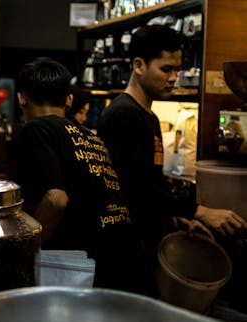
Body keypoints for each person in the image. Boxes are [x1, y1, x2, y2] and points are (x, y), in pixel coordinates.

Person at [96, 25, 247, 273]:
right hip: (126, 248)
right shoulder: (124, 115)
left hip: (145, 239)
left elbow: (150, 181)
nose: (173, 77)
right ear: (138, 65)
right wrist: (200, 212)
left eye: (177, 69)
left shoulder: (147, 115)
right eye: (166, 69)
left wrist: (177, 216)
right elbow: (135, 187)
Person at [15, 56, 154, 295]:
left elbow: (56, 200)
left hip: (91, 274)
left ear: (21, 98)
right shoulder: (90, 136)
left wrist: (25, 247)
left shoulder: (36, 129)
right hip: (131, 263)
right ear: (69, 100)